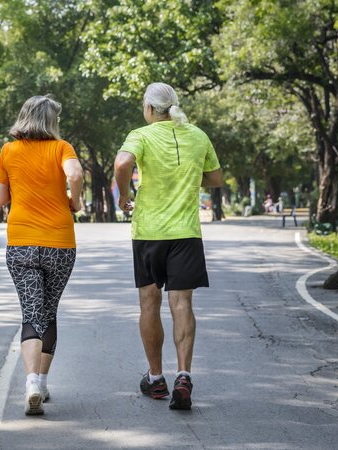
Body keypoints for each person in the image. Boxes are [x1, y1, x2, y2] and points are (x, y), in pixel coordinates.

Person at [114, 82, 222, 410]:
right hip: (186, 233)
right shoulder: (197, 135)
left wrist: (124, 196)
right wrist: (187, 177)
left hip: (148, 232)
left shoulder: (141, 135)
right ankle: (184, 375)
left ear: (149, 109)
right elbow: (215, 179)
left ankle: (156, 378)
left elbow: (121, 165)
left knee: (149, 304)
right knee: (182, 304)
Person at [0, 95, 83, 415]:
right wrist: (76, 200)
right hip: (59, 244)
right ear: (51, 122)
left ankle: (31, 382)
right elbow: (74, 174)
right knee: (49, 311)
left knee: (32, 313)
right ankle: (42, 382)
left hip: (21, 245)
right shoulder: (62, 148)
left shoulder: (8, 151)